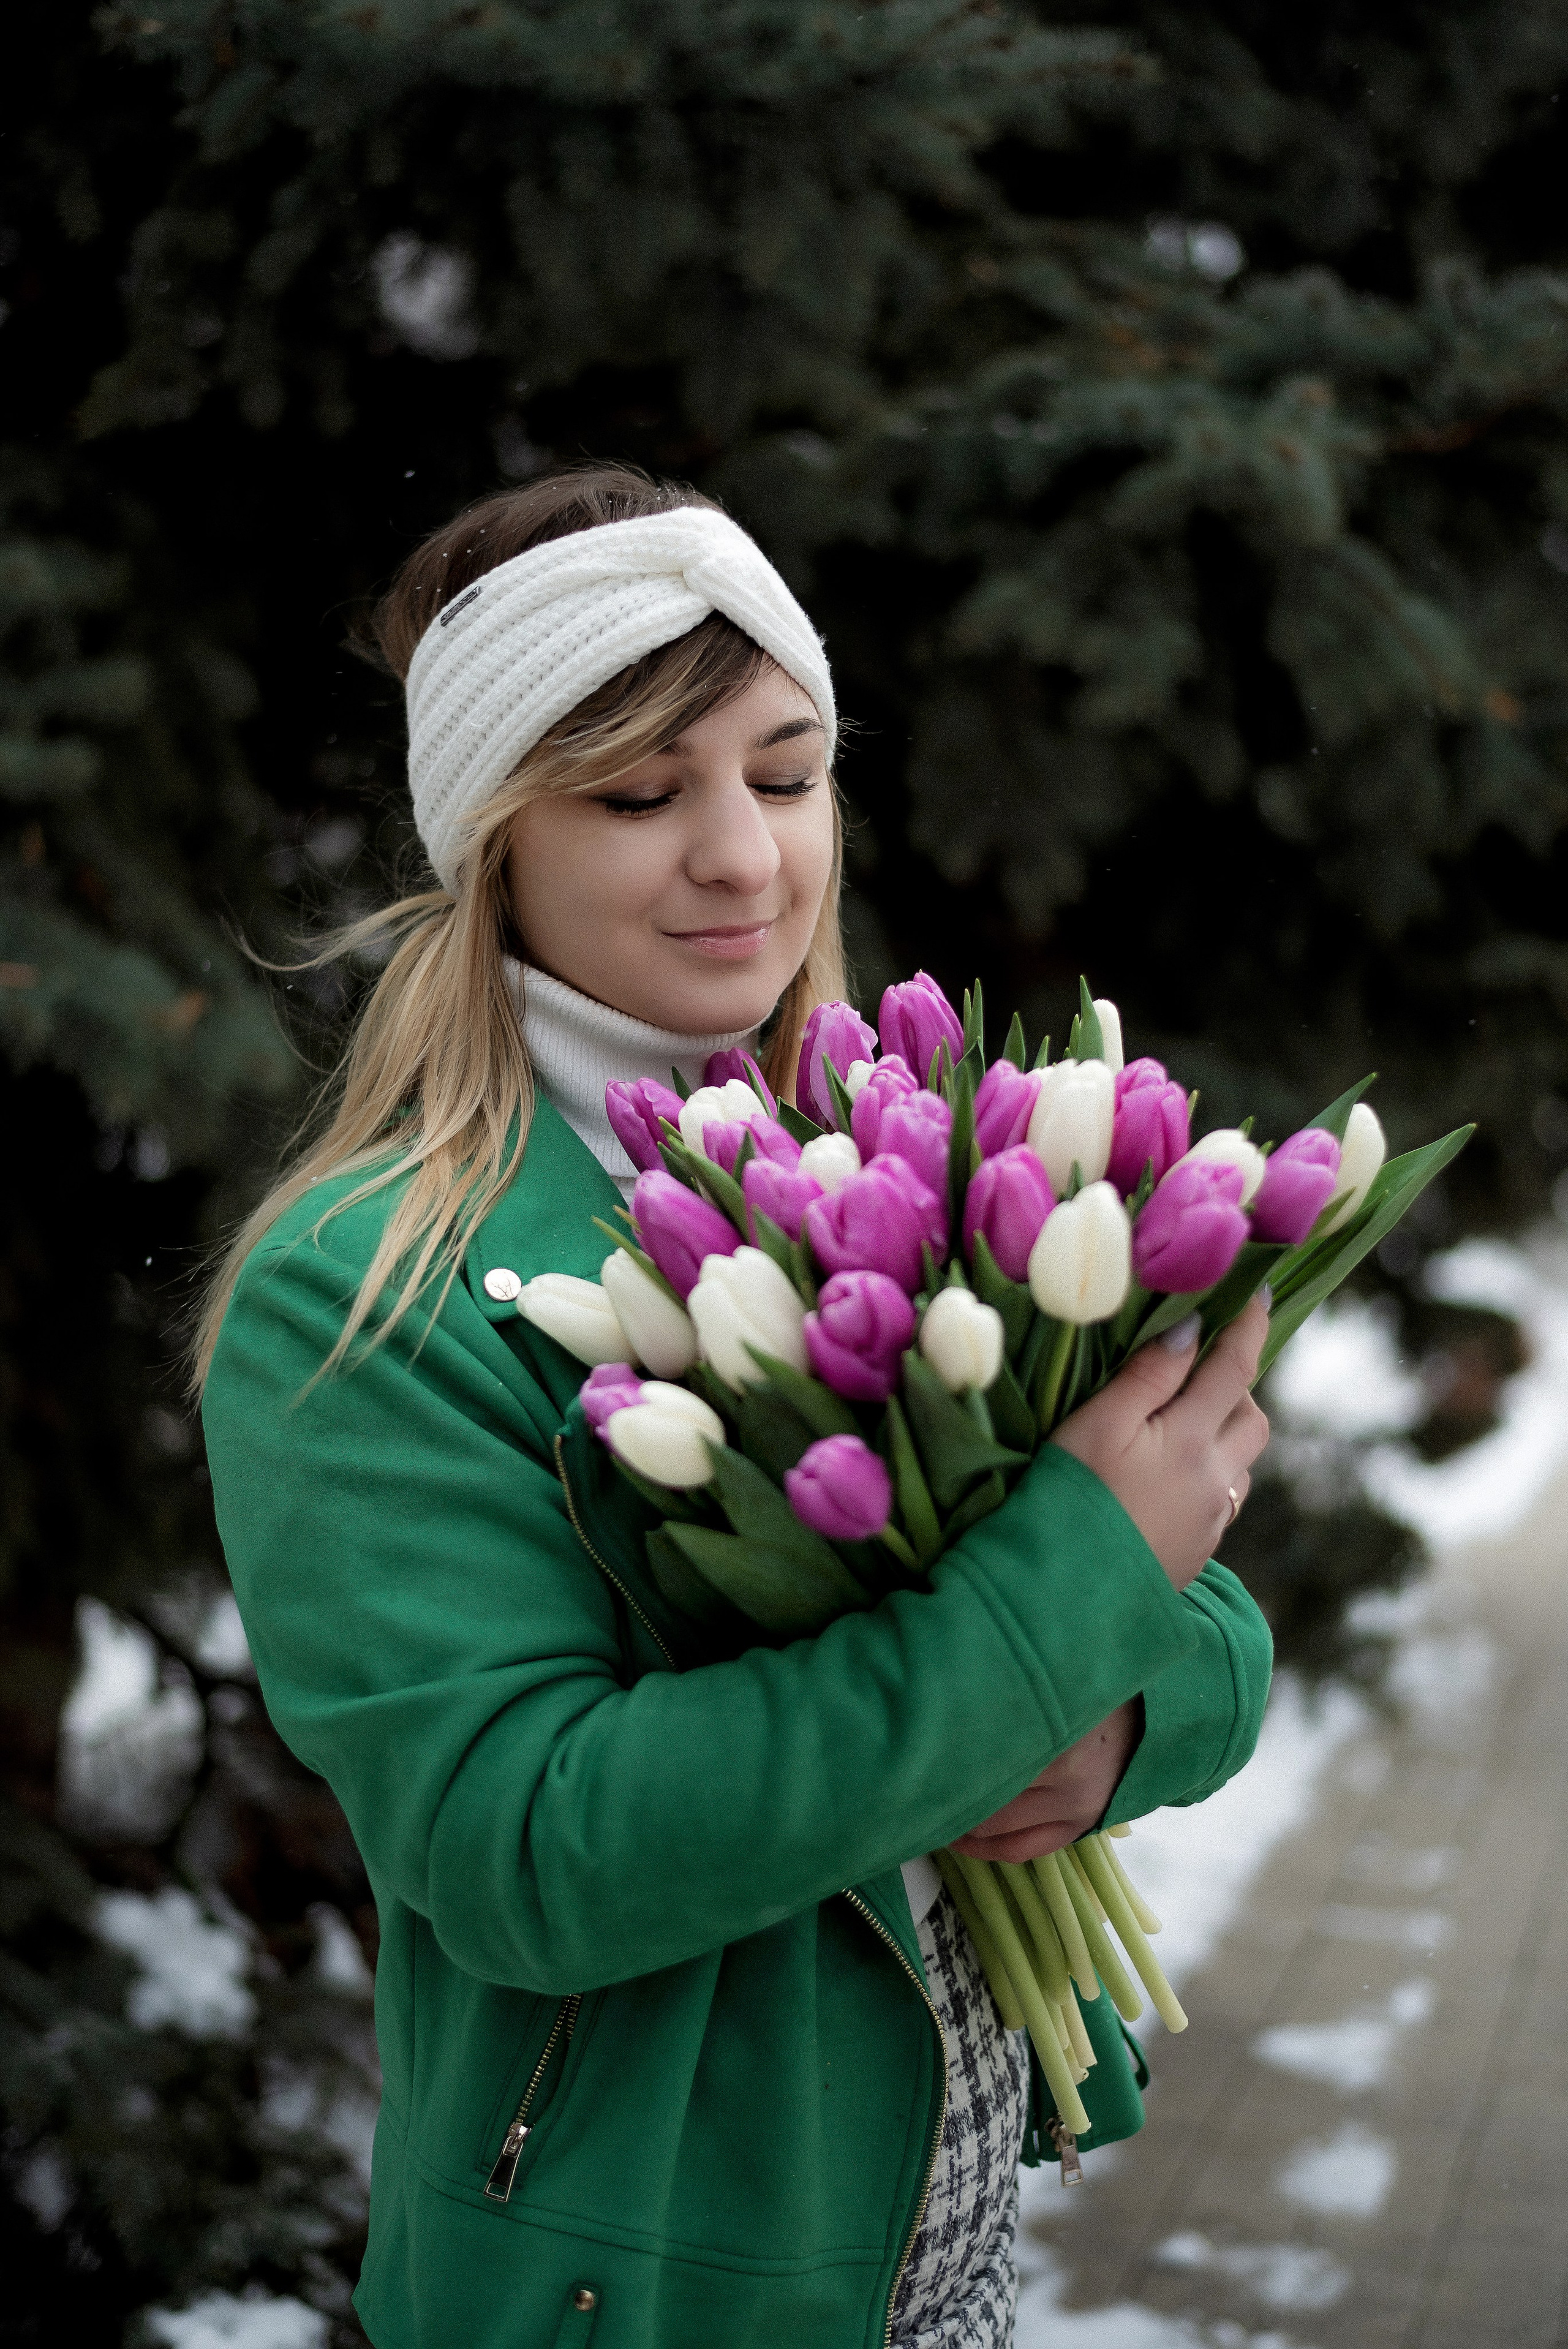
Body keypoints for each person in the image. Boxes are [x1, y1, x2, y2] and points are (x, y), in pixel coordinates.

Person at [195, 465, 1272, 2349]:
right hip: (641, 2281)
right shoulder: (368, 1293)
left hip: (922, 2236)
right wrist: (1047, 1610)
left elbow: (1197, 1598)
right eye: (636, 791)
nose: (744, 857)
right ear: (494, 840)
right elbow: (530, 1848)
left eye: (784, 774)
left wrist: (1106, 1723)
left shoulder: (899, 1155)